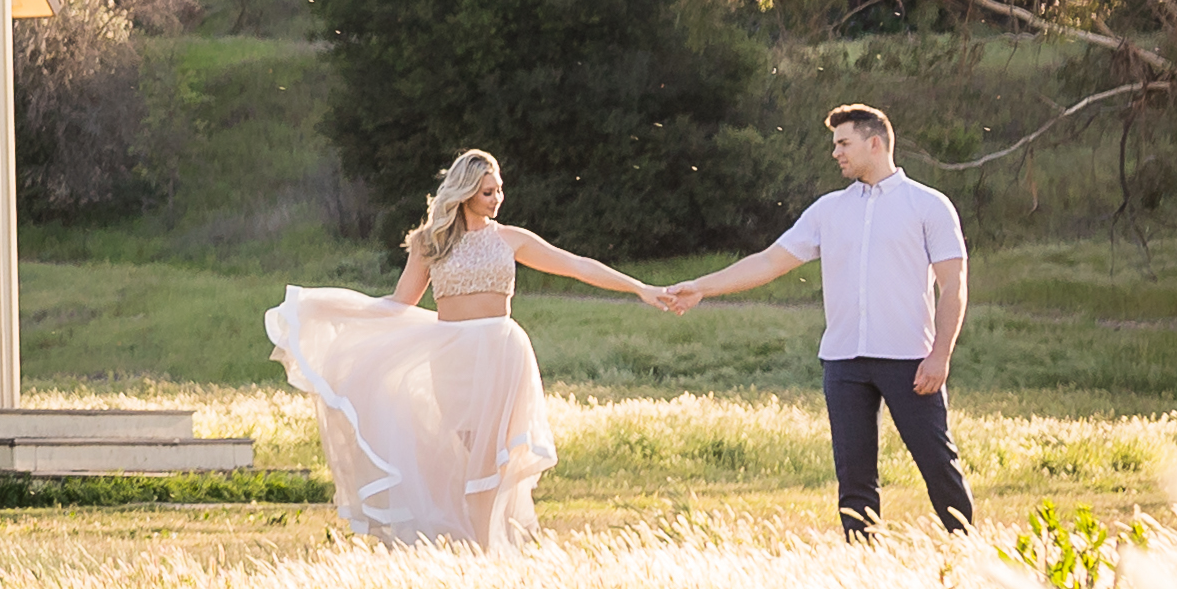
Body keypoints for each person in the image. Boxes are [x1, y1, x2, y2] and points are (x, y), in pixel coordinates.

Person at [267, 148, 673, 549]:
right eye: (487, 193)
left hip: (500, 352)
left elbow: (577, 264)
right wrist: (337, 308)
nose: (496, 199)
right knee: (466, 450)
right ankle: (477, 542)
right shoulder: (431, 242)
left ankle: (487, 548)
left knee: (490, 454)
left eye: (498, 190)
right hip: (451, 357)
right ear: (463, 194)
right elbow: (400, 302)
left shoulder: (511, 239)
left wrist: (640, 288)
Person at [658, 103, 975, 536]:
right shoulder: (828, 210)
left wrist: (940, 355)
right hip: (843, 362)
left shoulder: (928, 206)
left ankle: (966, 549)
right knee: (854, 476)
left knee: (937, 463)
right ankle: (861, 560)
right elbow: (769, 261)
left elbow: (953, 285)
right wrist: (702, 286)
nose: (836, 153)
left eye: (844, 143)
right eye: (835, 144)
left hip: (909, 359)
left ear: (875, 143)